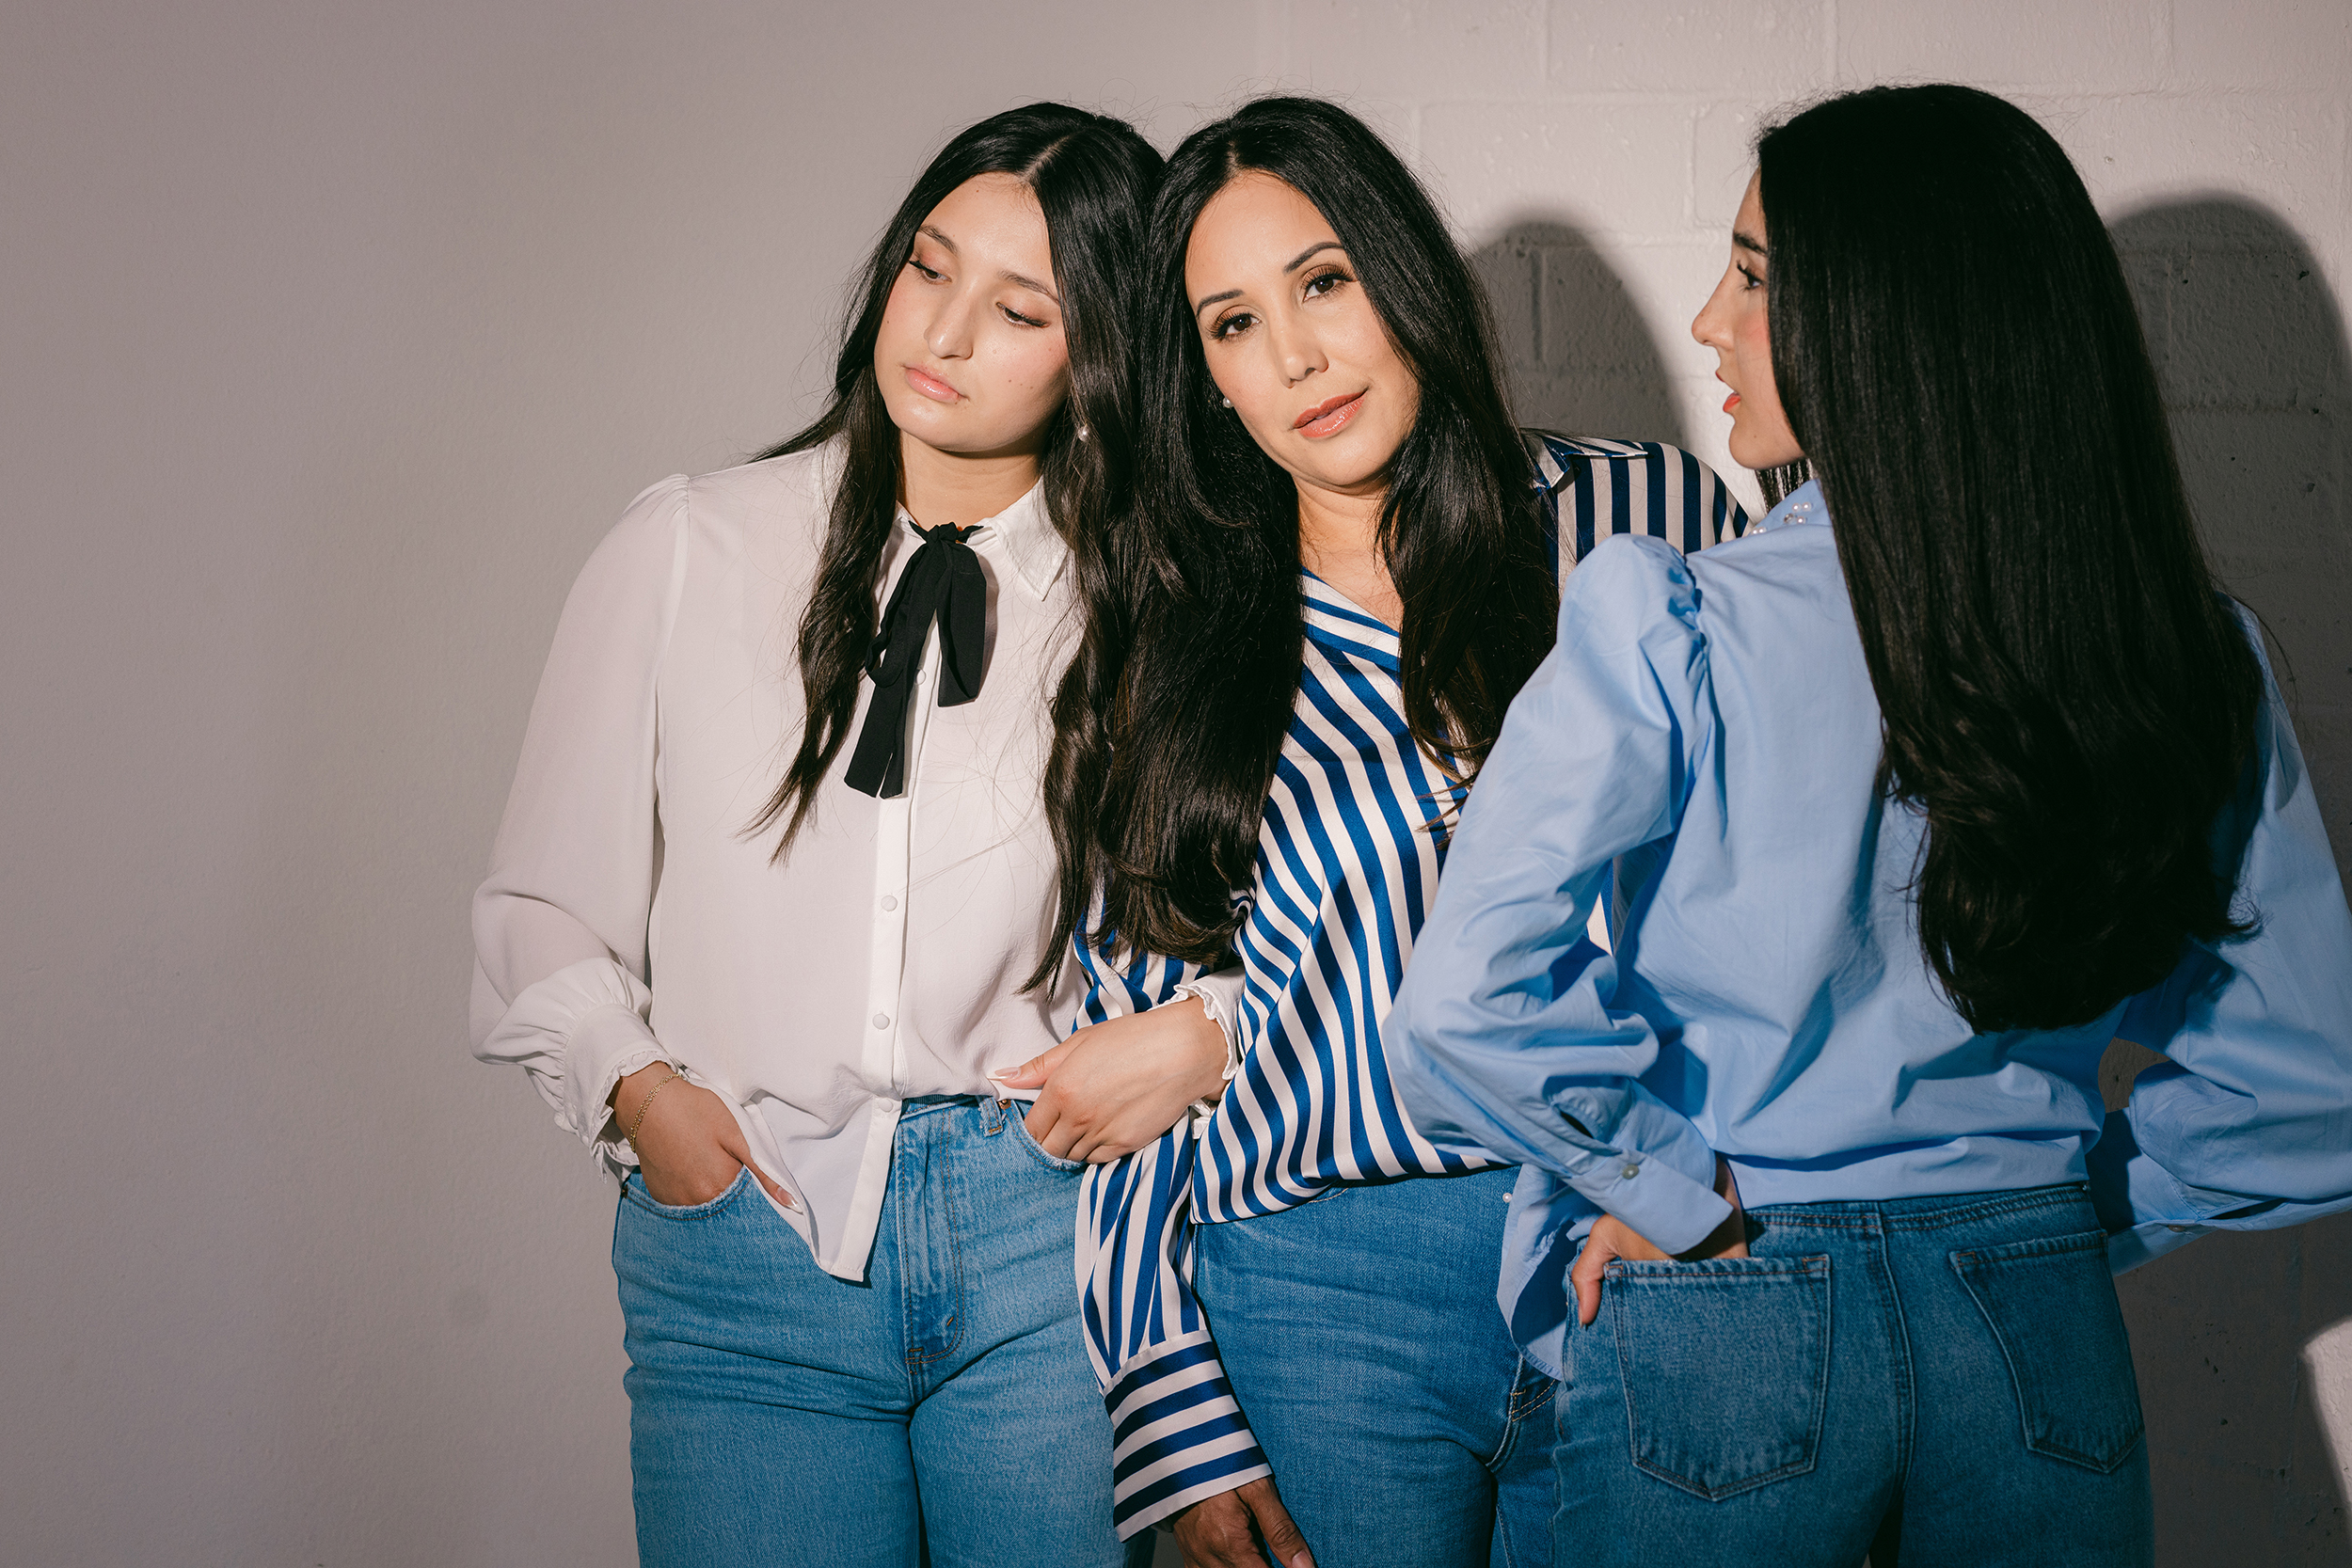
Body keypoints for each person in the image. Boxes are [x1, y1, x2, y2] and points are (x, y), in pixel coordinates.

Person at [1390, 83, 2352, 1568]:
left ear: (1897, 321)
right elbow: (2307, 1097)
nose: (1711, 320)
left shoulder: (1674, 619)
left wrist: (1672, 1193)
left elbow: (1462, 1004)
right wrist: (2038, 1212)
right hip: (2034, 1324)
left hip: (1732, 1298)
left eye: (1759, 274)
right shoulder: (2176, 654)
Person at [1017, 96, 1745, 1568]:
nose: (1291, 359)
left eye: (1325, 283)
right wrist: (1176, 1415)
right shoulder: (1178, 638)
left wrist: (1728, 1197)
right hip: (1320, 1291)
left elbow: (1774, 886)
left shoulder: (1643, 513)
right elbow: (1125, 1066)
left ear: (1405, 278)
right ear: (1203, 378)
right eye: (1230, 325)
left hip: (1636, 1234)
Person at [469, 103, 1174, 1567]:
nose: (947, 328)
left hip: (1051, 1245)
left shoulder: (1145, 603)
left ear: (1097, 352)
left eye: (1019, 306)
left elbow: (1252, 909)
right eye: (929, 268)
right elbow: (542, 898)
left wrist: (1197, 1039)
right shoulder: (688, 545)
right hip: (752, 1249)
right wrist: (643, 1096)